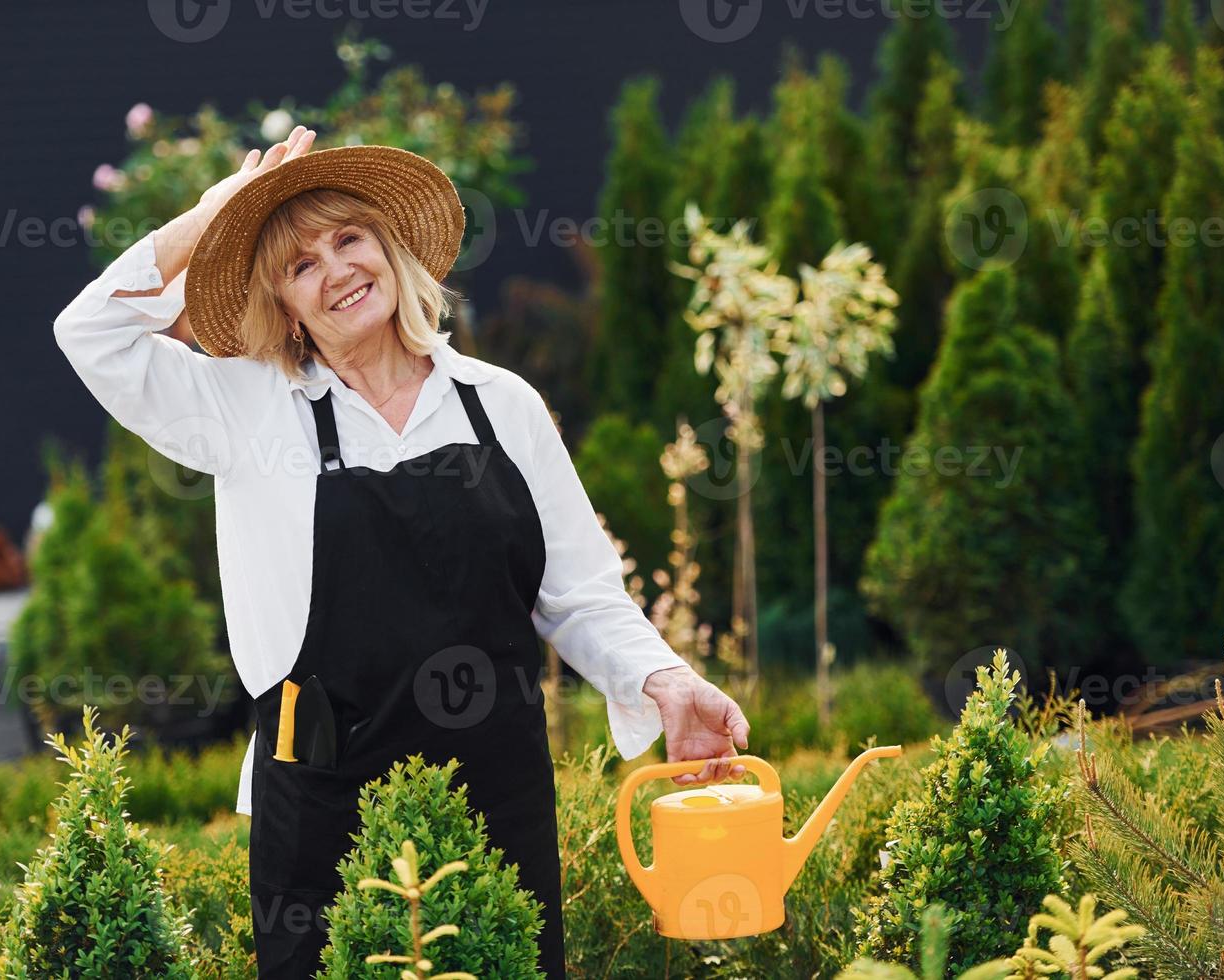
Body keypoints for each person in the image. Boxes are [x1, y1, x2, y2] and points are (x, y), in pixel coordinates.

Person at [52, 124, 751, 979]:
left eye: (349, 239)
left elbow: (580, 593)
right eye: (300, 264)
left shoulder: (502, 406)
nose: (337, 270)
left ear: (389, 248)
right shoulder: (245, 412)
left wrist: (665, 679)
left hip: (497, 798)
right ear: (284, 305)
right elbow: (90, 334)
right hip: (323, 810)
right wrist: (210, 219)